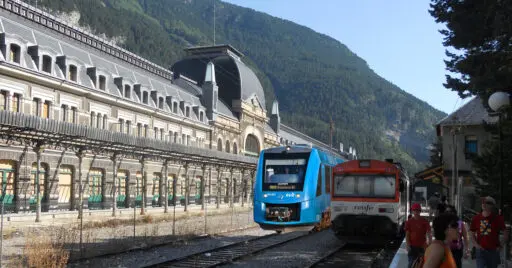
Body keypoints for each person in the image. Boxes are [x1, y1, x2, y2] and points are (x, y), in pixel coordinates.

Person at [470, 196, 509, 268]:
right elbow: (472, 233)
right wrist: (476, 245)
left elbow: (506, 233)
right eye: (482, 202)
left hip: (493, 251)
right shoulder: (476, 218)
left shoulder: (498, 219)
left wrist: (501, 245)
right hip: (481, 250)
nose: (483, 204)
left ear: (492, 205)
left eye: (487, 202)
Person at [406, 203, 432, 268]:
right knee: (410, 264)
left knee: (422, 263)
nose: (416, 212)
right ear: (412, 211)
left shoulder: (425, 221)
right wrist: (407, 244)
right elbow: (407, 234)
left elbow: (429, 233)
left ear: (420, 211)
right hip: (412, 246)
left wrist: (430, 244)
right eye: (414, 210)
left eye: (417, 210)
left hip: (422, 246)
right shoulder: (409, 222)